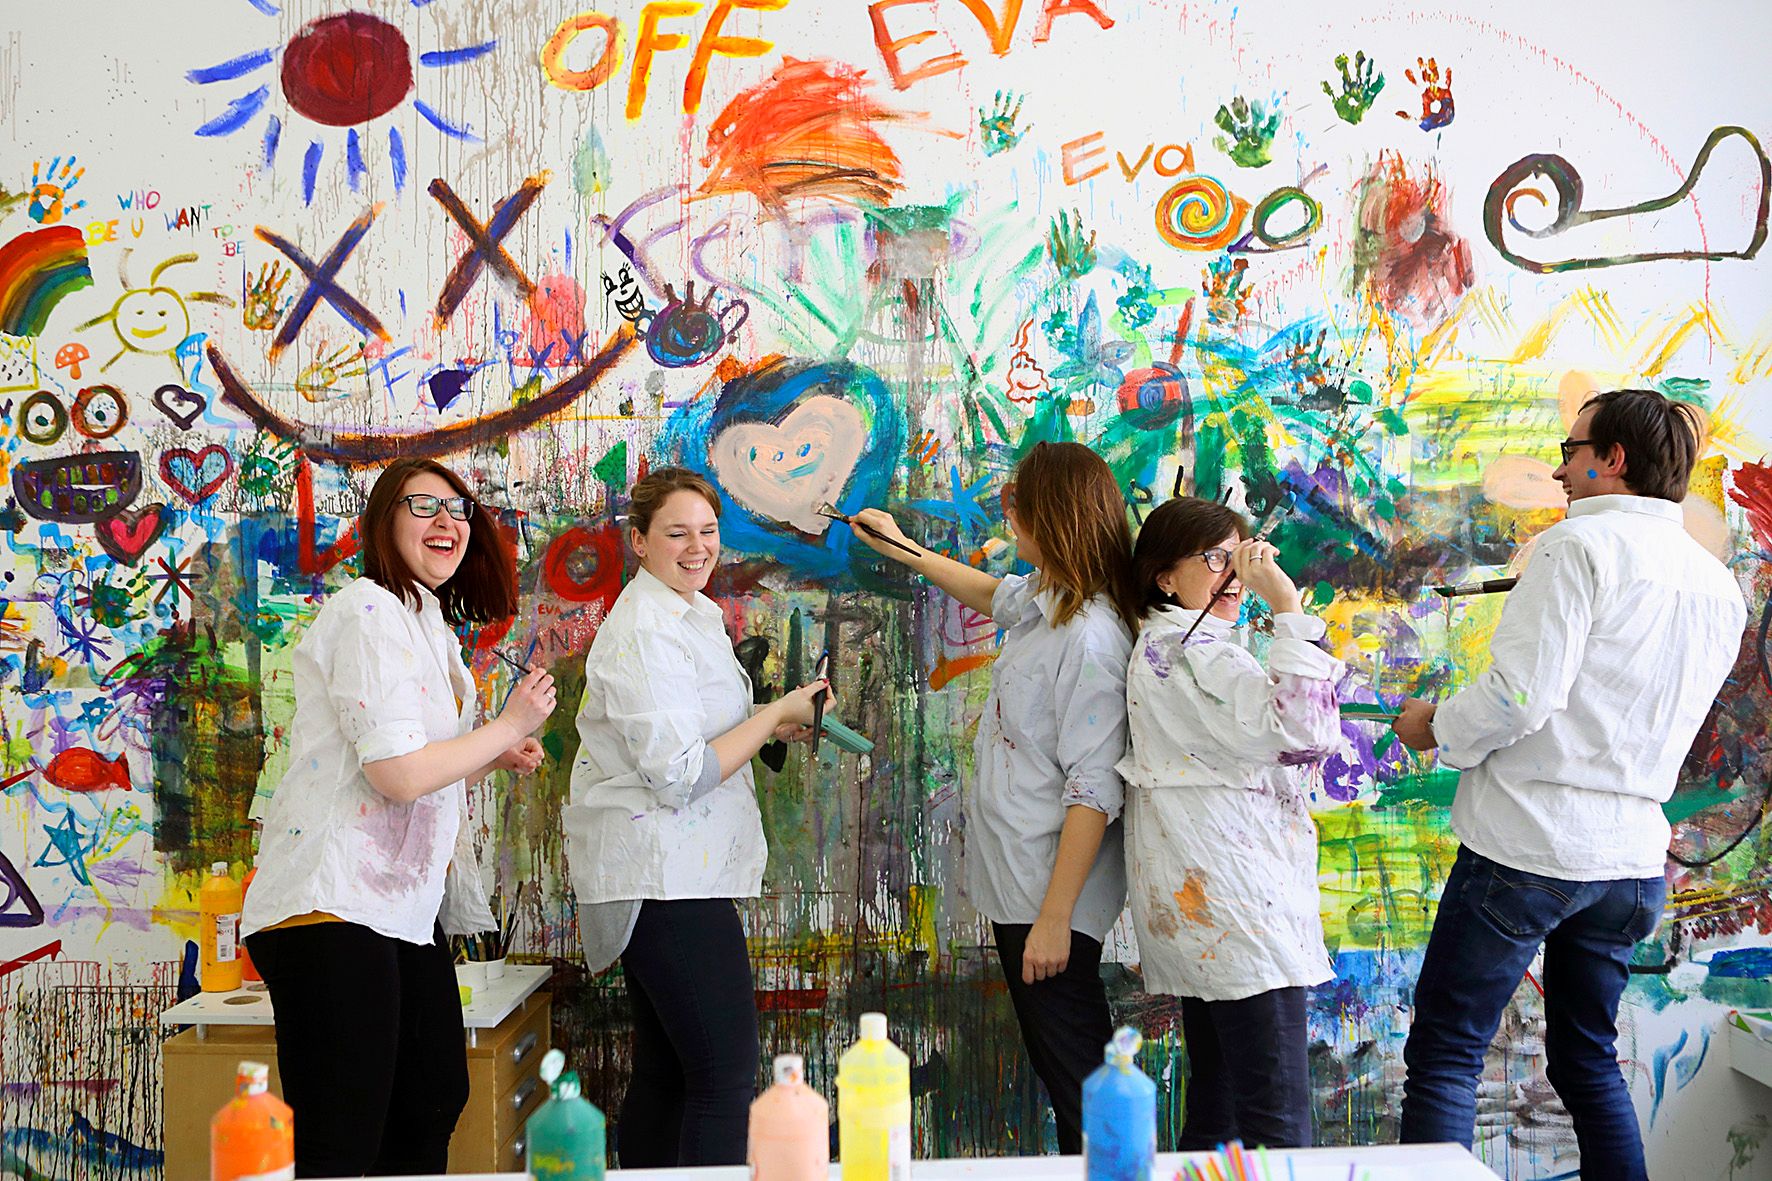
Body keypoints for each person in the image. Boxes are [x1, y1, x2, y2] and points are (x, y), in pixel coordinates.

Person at [1392, 389, 1746, 1180]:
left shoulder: (1574, 547)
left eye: (1569, 450)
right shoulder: (1716, 583)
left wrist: (1433, 724)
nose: (1557, 469)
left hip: (1531, 843)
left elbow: (1520, 698)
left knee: (1447, 1052)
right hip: (1631, 863)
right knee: (1588, 1060)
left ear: (1611, 459)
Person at [242, 458, 555, 1177]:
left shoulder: (428, 624)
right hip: (330, 904)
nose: (447, 522)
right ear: (383, 522)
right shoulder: (368, 610)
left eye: (459, 509)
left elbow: (416, 771)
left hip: (397, 910)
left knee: (430, 1099)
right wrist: (506, 727)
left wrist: (491, 755)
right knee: (344, 1135)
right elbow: (398, 774)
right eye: (423, 506)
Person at [853, 440, 1138, 1154]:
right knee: (1067, 1072)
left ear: (1054, 518)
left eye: (1021, 506)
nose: (1009, 517)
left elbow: (1094, 790)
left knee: (1080, 1083)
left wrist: (1055, 919)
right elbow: (991, 594)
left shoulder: (1091, 637)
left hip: (1049, 895)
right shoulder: (1048, 597)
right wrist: (902, 547)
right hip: (1022, 882)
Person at [563, 467, 829, 1168]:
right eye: (677, 533)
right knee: (723, 1078)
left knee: (671, 1073)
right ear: (639, 540)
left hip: (679, 870)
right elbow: (680, 774)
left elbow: (695, 733)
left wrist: (772, 723)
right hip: (663, 875)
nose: (697, 547)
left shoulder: (690, 612)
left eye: (707, 531)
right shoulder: (645, 630)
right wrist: (773, 713)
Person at [1116, 496, 1343, 1149]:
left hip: (1214, 909)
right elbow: (1304, 733)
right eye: (1215, 559)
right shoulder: (1192, 653)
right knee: (1275, 1122)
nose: (1236, 576)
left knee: (1220, 1115)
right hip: (1242, 917)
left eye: (1239, 557)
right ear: (1165, 576)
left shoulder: (1179, 647)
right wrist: (1288, 605)